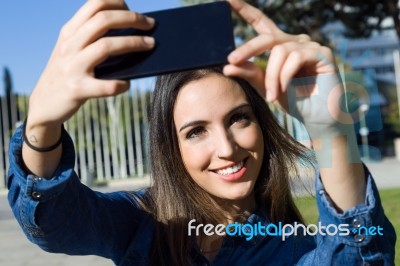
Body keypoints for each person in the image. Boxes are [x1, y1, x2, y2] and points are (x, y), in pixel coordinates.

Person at [7, 0, 396, 265]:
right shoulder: (141, 222)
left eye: (239, 118)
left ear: (261, 124)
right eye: (195, 132)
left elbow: (359, 253)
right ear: (171, 146)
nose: (226, 148)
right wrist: (41, 125)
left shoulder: (294, 248)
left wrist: (331, 134)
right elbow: (55, 222)